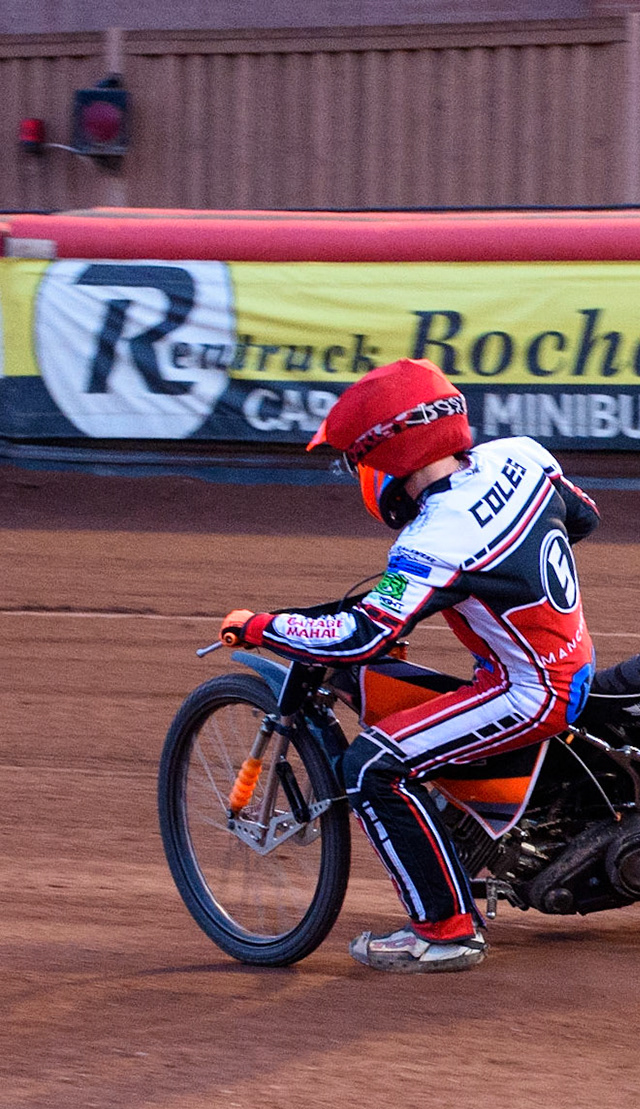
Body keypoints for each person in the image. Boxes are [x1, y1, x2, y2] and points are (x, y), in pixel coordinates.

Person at [219, 358, 600, 972]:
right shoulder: (522, 457)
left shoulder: (435, 537)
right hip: (568, 662)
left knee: (369, 765)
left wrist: (265, 626)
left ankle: (444, 932)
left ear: (388, 454)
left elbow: (358, 639)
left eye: (357, 460)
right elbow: (582, 516)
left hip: (529, 691)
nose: (359, 475)